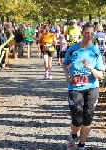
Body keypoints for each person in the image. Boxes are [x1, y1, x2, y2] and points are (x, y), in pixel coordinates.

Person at [62, 22, 105, 150]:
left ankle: (81, 146)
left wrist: (90, 67)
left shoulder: (96, 51)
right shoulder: (73, 49)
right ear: (82, 34)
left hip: (92, 87)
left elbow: (100, 75)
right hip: (75, 88)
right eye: (87, 33)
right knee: (78, 119)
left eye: (92, 33)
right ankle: (73, 135)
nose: (89, 36)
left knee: (88, 119)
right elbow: (65, 63)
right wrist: (67, 75)